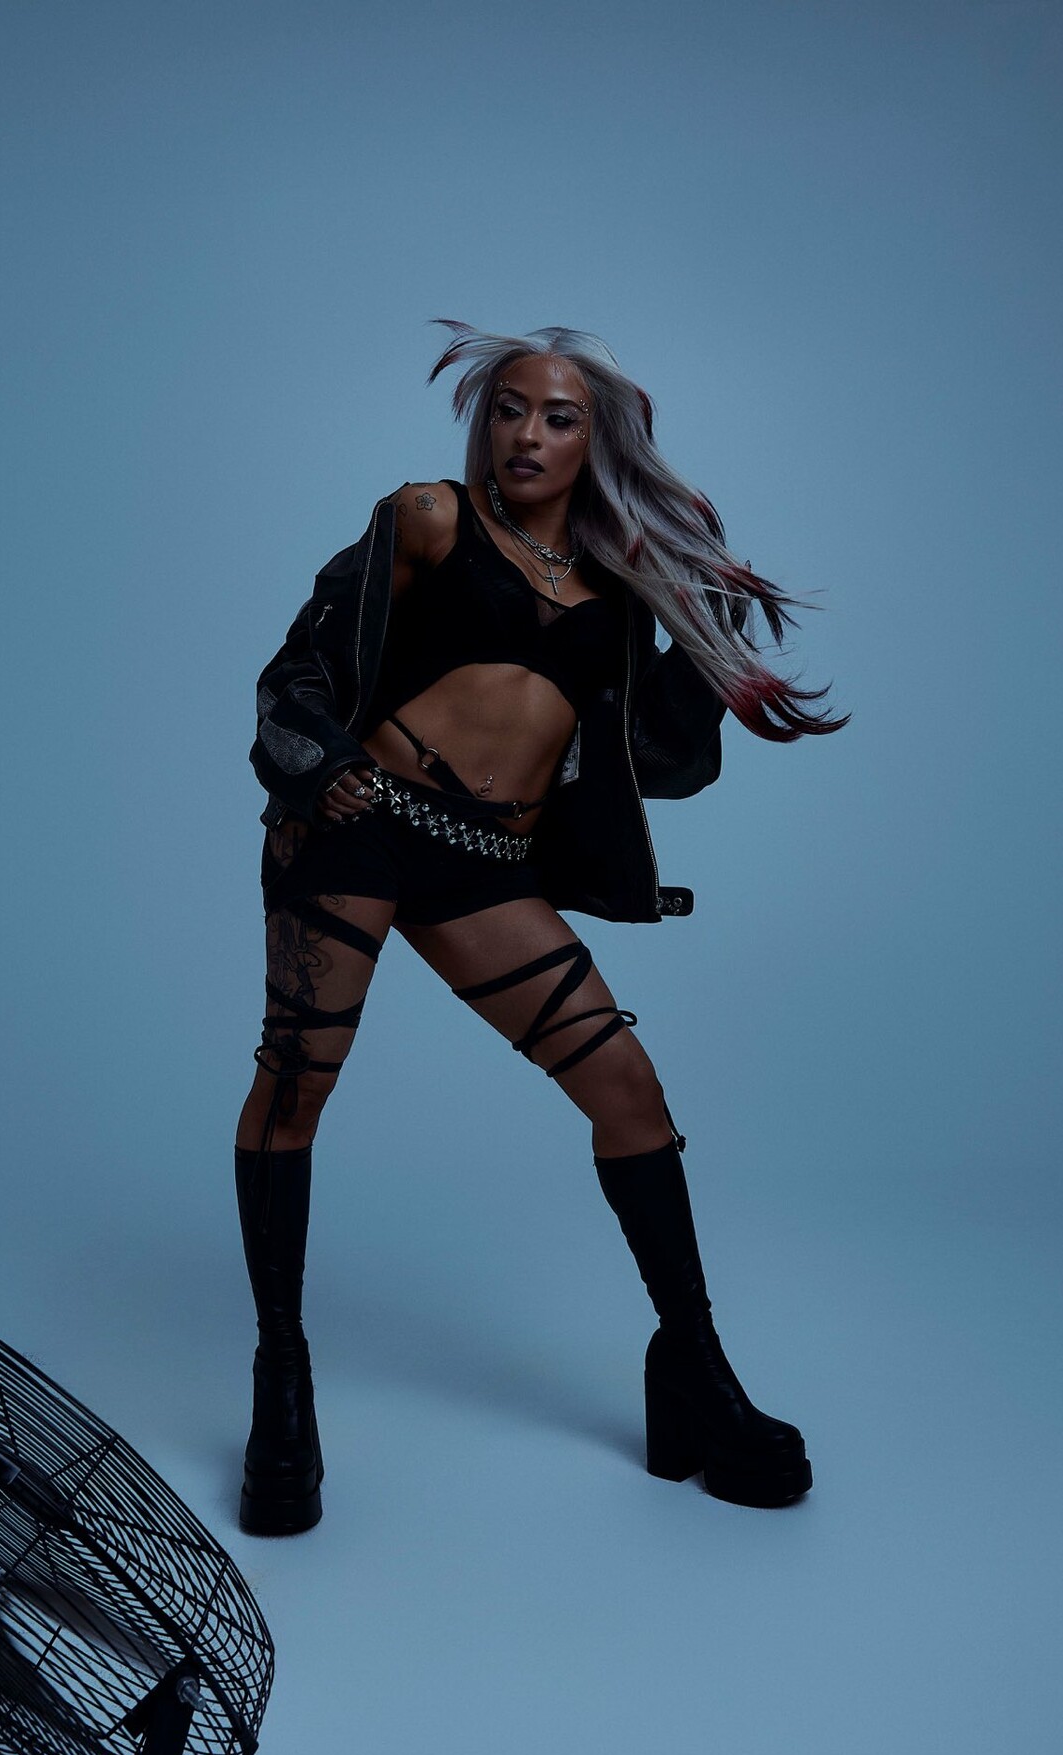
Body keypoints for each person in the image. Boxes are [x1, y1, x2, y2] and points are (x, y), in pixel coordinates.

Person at [234, 320, 848, 1535]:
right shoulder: (429, 518)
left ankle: (692, 1369)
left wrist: (702, 627)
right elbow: (298, 671)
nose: (526, 433)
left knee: (628, 1091)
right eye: (509, 409)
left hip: (483, 864)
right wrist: (321, 762)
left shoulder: (620, 580)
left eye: (559, 417)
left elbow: (659, 761)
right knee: (297, 1080)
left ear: (595, 440)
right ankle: (280, 1376)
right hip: (358, 829)